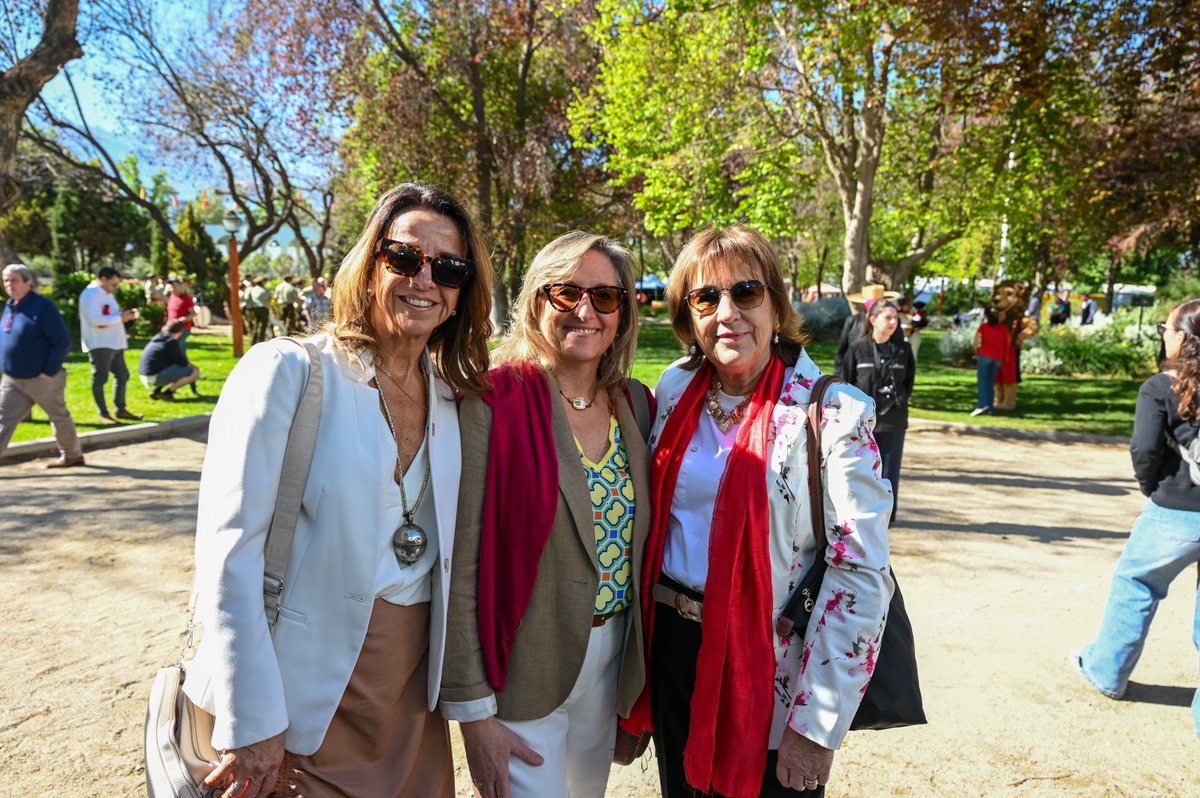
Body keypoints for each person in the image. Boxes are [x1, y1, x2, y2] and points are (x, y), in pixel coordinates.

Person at [183, 183, 493, 798]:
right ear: (370, 264)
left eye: (449, 268)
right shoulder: (288, 372)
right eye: (404, 258)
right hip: (297, 702)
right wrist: (254, 719)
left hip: (408, 707)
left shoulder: (457, 403)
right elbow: (228, 555)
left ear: (462, 293)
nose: (424, 279)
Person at [621, 225, 894, 798]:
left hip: (770, 667)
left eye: (745, 293)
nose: (727, 313)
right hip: (672, 649)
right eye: (705, 298)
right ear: (686, 317)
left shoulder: (835, 415)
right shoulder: (675, 389)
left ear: (774, 305)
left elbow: (861, 575)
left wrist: (815, 727)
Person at [441, 231, 650, 798]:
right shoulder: (492, 400)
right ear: (537, 301)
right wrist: (473, 711)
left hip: (610, 664)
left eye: (605, 297)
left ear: (622, 313)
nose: (585, 310)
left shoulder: (634, 404)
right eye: (566, 293)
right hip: (523, 671)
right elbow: (460, 566)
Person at [1071, 298, 1200, 739]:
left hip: (1177, 508)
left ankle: (1106, 671)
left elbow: (1144, 451)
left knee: (1136, 584)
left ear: (1181, 337)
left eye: (1167, 326)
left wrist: (1153, 490)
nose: (1163, 332)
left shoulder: (1160, 387)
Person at [0, 264, 84, 468]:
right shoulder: (11, 305)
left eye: (15, 280)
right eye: (6, 281)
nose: (9, 285)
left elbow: (61, 341)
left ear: (29, 283)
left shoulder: (42, 307)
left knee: (58, 417)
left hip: (42, 379)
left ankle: (72, 455)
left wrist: (49, 370)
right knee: (2, 419)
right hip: (13, 379)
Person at [842, 302, 915, 524]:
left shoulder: (904, 350)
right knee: (861, 471)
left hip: (893, 421)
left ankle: (886, 517)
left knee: (889, 473)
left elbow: (908, 384)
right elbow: (847, 382)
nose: (894, 322)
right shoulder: (858, 348)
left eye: (896, 318)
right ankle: (860, 515)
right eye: (888, 317)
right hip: (862, 423)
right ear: (873, 320)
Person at [79, 267, 141, 424]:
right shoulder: (90, 295)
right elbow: (95, 320)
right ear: (103, 279)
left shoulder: (108, 294)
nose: (116, 288)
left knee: (123, 375)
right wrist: (121, 317)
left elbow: (113, 315)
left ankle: (121, 409)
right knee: (100, 378)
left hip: (115, 342)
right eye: (113, 284)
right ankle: (103, 413)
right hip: (100, 343)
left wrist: (126, 316)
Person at [834, 284, 900, 375]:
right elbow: (841, 352)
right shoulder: (852, 321)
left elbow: (899, 348)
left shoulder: (892, 323)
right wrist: (838, 376)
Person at [138, 319, 200, 401]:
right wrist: (195, 368)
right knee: (194, 373)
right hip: (154, 376)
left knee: (173, 368)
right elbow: (181, 362)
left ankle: (157, 391)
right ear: (180, 331)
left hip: (144, 375)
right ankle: (168, 393)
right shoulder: (171, 342)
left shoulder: (160, 337)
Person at [972, 306, 1007, 417]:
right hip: (998, 358)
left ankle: (982, 404)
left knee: (983, 381)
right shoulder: (1004, 329)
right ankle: (990, 407)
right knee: (990, 382)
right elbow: (1007, 344)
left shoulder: (983, 327)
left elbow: (976, 342)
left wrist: (977, 352)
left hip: (985, 355)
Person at [166, 279, 197, 361]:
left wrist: (183, 320)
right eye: (170, 284)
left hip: (182, 329)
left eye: (174, 284)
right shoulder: (172, 297)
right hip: (172, 328)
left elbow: (193, 313)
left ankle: (186, 369)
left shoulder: (185, 299)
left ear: (180, 286)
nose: (172, 286)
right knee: (175, 349)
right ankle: (182, 368)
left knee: (179, 349)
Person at [242, 276, 271, 345]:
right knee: (262, 327)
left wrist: (250, 307)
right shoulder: (265, 290)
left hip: (254, 309)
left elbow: (246, 298)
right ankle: (261, 342)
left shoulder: (252, 289)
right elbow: (269, 299)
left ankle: (253, 342)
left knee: (255, 326)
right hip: (263, 309)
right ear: (262, 282)